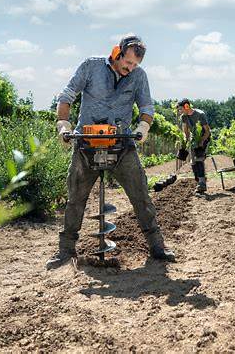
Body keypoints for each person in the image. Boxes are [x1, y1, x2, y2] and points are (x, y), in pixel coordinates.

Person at [47, 35, 175, 269]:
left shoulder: (139, 76)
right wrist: (63, 125)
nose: (130, 68)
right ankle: (65, 251)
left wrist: (142, 128)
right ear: (117, 53)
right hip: (86, 143)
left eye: (135, 64)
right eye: (128, 62)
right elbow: (67, 96)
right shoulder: (91, 66)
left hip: (121, 144)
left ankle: (157, 246)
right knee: (76, 198)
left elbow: (147, 107)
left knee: (141, 195)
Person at [177, 99, 211, 194]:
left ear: (186, 106)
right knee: (193, 163)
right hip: (194, 139)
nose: (180, 112)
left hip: (204, 137)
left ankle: (202, 184)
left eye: (180, 109)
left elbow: (207, 131)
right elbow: (186, 132)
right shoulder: (183, 117)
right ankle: (199, 181)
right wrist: (184, 144)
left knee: (199, 159)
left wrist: (202, 141)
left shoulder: (200, 114)